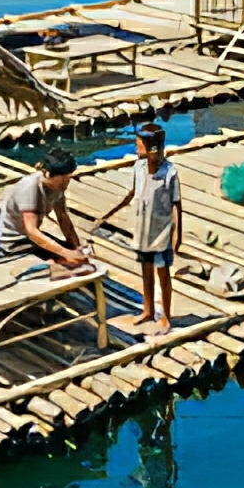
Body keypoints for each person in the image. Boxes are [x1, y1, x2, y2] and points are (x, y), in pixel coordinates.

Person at [95, 124, 182, 333]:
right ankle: (148, 310)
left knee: (163, 273)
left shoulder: (169, 172)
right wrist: (109, 213)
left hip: (161, 230)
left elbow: (176, 205)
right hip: (143, 227)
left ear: (153, 147)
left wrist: (177, 235)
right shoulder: (138, 167)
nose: (136, 146)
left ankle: (166, 316)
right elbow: (132, 192)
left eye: (140, 143)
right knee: (146, 270)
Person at [0, 149, 88, 266]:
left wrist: (75, 246)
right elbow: (31, 230)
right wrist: (66, 253)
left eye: (68, 179)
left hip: (30, 239)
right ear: (47, 174)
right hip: (15, 243)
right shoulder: (29, 188)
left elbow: (62, 217)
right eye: (63, 179)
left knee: (75, 258)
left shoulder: (57, 188)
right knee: (59, 264)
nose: (66, 183)